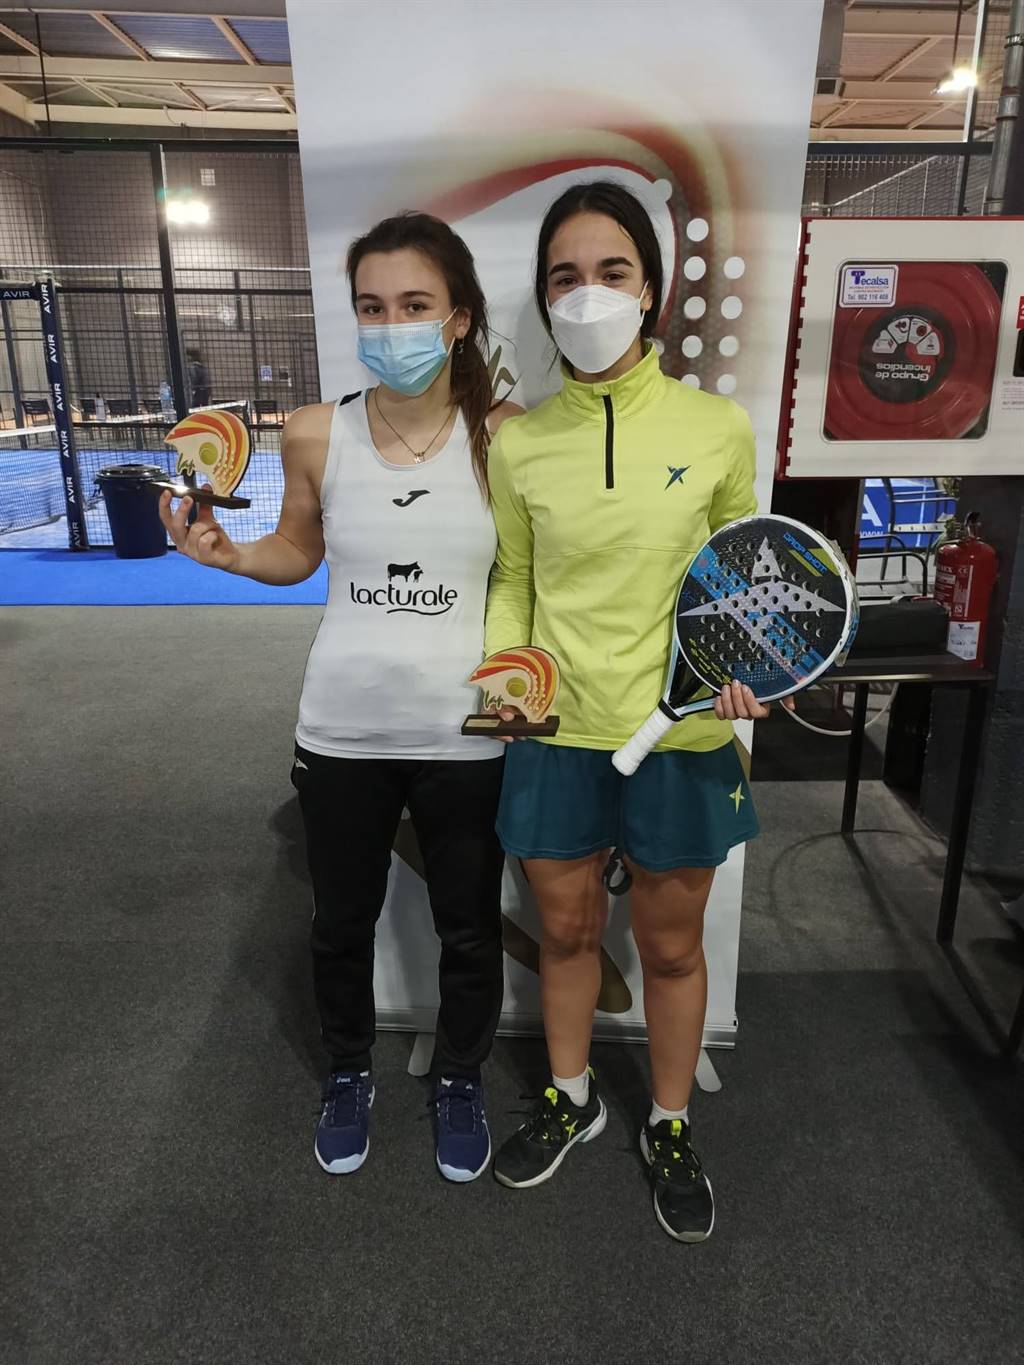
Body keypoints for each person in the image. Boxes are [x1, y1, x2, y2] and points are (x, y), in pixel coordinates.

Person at [160, 213, 520, 1183]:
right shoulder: (315, 430)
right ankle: (349, 1071)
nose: (390, 325)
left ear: (458, 318)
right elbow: (298, 549)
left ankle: (459, 1078)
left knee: (468, 927)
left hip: (466, 734)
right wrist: (231, 556)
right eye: (372, 306)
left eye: (414, 304)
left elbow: (531, 578)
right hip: (343, 727)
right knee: (339, 924)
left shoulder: (506, 436)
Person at [485, 181, 789, 1241]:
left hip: (684, 735)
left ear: (650, 290)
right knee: (566, 933)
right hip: (557, 733)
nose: (588, 294)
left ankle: (668, 1122)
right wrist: (508, 677)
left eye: (611, 271)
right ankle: (570, 1097)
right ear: (544, 297)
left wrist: (745, 668)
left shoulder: (717, 427)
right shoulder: (519, 444)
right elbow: (515, 579)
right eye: (564, 276)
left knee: (668, 949)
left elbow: (742, 577)